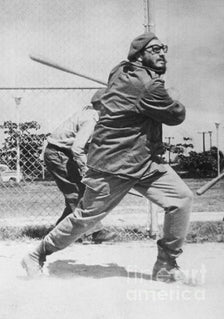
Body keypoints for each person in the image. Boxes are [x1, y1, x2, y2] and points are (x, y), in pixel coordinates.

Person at [22, 32, 193, 283]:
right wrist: (173, 96)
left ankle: (166, 263)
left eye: (163, 48)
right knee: (86, 218)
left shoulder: (120, 71)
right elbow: (176, 115)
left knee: (181, 199)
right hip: (115, 163)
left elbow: (123, 78)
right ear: (139, 55)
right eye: (154, 49)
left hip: (145, 160)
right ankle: (36, 254)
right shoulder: (149, 86)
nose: (161, 53)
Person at [43, 88, 116, 243]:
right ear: (103, 105)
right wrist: (85, 169)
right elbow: (78, 148)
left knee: (77, 195)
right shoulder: (91, 118)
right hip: (58, 154)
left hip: (62, 153)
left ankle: (58, 234)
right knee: (77, 194)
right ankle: (95, 233)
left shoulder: (89, 113)